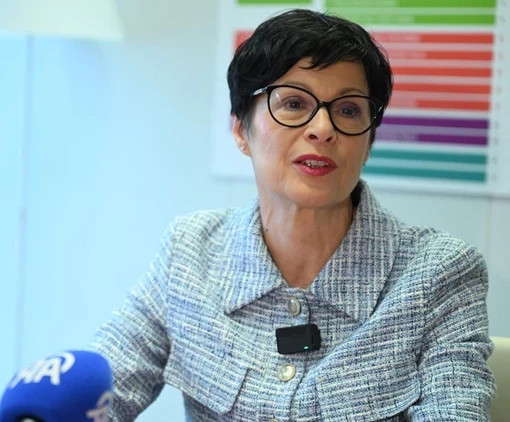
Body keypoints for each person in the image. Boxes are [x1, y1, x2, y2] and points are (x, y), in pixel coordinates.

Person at [92, 8, 495, 422]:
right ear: (240, 130)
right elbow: (100, 388)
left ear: (369, 142)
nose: (323, 128)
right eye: (294, 103)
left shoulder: (437, 274)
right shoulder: (190, 253)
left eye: (348, 110)